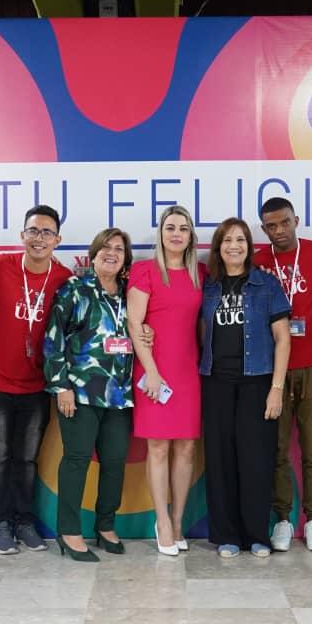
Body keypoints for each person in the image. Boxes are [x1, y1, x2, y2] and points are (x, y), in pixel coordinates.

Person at [0, 205, 71, 555]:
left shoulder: (63, 279)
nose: (39, 238)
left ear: (57, 240)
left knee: (27, 458)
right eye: (33, 231)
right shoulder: (0, 267)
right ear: (22, 235)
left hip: (36, 384)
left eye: (47, 233)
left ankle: (25, 521)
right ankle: (1, 524)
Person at [200, 218, 291, 557]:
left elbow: (283, 340)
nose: (234, 245)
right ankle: (226, 535)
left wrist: (277, 388)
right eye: (227, 240)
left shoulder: (266, 285)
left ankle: (256, 535)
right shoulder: (208, 286)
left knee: (256, 459)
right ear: (218, 248)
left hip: (258, 382)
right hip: (216, 381)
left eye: (240, 239)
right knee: (220, 458)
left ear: (250, 246)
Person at [44, 229, 136, 562]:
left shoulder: (130, 293)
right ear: (93, 254)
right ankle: (68, 531)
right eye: (106, 248)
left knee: (114, 461)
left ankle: (105, 525)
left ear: (126, 258)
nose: (112, 253)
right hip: (80, 392)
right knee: (77, 459)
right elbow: (54, 338)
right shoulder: (75, 289)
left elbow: (142, 331)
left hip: (120, 395)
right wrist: (61, 386)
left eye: (119, 249)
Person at [127, 205, 207, 556]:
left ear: (191, 236)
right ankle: (161, 522)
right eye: (170, 227)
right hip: (153, 372)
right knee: (158, 447)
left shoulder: (200, 273)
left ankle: (177, 522)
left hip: (189, 372)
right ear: (160, 234)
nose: (177, 234)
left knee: (186, 448)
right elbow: (134, 323)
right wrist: (152, 372)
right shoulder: (145, 271)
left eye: (183, 228)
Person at [255, 197, 312, 552]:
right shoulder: (257, 260)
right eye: (271, 226)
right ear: (263, 228)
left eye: (284, 223)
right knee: (278, 448)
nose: (279, 231)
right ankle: (283, 518)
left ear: (296, 220)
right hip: (274, 369)